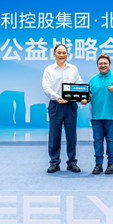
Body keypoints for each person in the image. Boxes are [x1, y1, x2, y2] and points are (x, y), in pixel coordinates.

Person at [42, 44, 84, 174]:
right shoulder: (49, 70)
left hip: (71, 105)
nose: (61, 55)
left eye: (64, 52)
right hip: (56, 104)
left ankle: (72, 163)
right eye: (59, 52)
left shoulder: (73, 69)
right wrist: (56, 96)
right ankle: (54, 162)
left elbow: (79, 84)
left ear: (67, 54)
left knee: (71, 135)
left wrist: (82, 96)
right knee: (54, 134)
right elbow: (46, 87)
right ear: (54, 54)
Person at [84, 54, 113, 175]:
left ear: (109, 64)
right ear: (97, 65)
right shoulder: (93, 79)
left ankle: (111, 164)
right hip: (96, 116)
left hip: (112, 116)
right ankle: (98, 165)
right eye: (100, 64)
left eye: (105, 63)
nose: (103, 65)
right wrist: (85, 100)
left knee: (111, 140)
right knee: (97, 140)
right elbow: (89, 96)